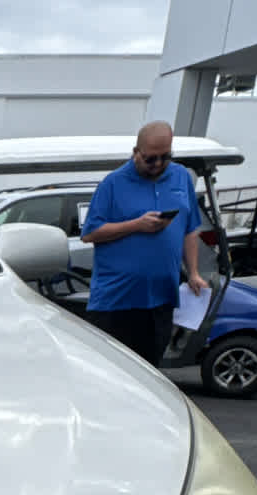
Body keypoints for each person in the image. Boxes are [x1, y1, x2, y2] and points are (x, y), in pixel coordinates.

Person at [81, 121, 207, 365]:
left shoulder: (181, 177)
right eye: (150, 159)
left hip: (161, 299)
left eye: (165, 157)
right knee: (112, 373)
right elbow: (90, 233)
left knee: (151, 375)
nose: (158, 164)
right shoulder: (113, 183)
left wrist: (193, 272)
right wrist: (136, 225)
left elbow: (190, 228)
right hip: (116, 303)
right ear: (135, 152)